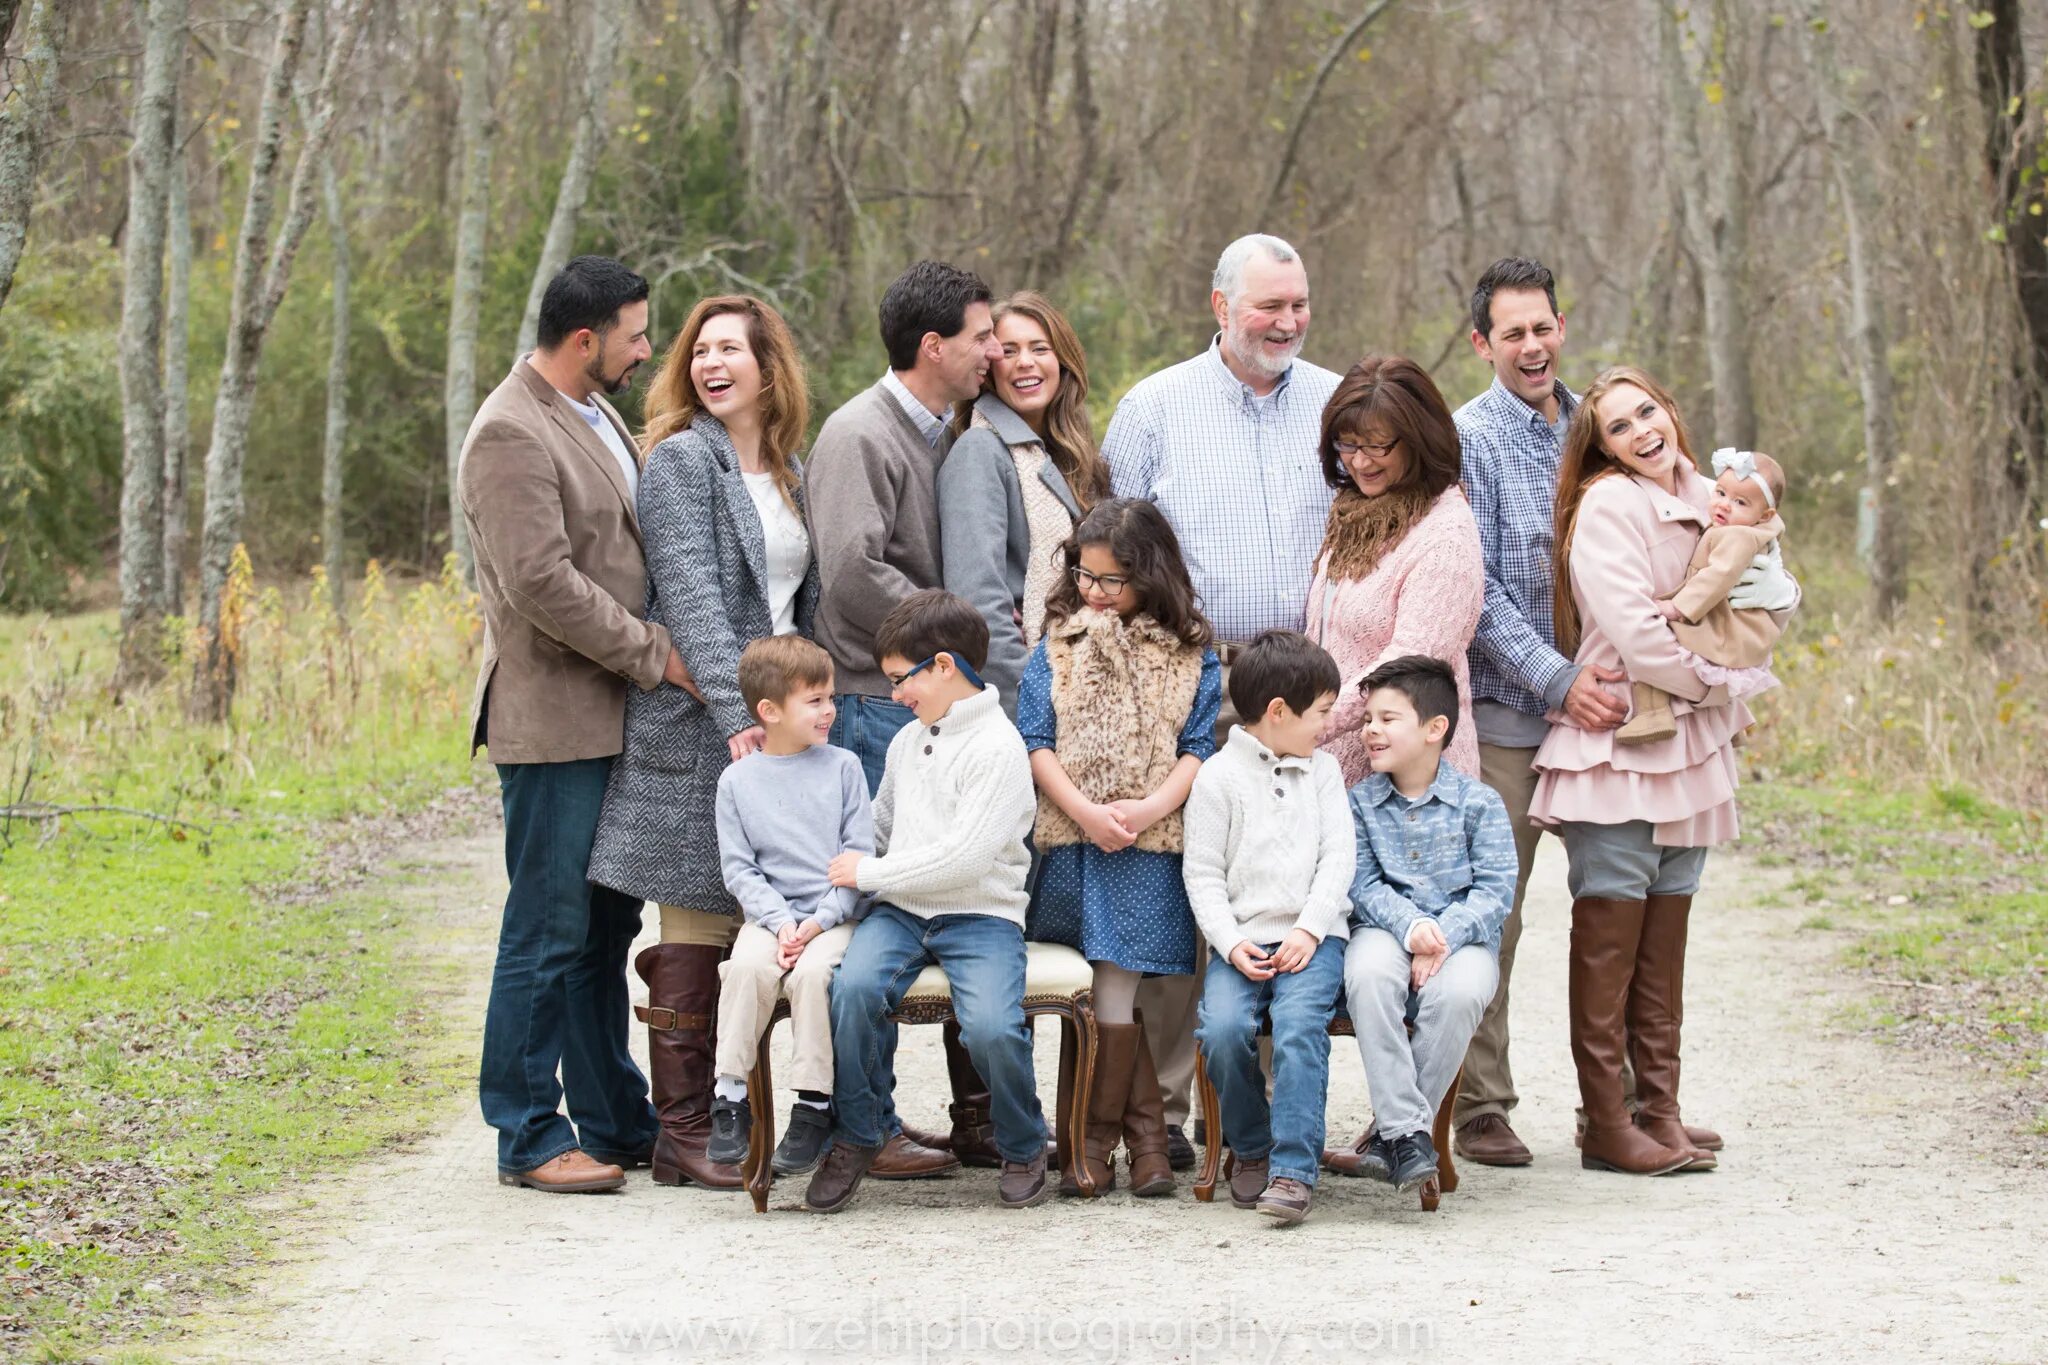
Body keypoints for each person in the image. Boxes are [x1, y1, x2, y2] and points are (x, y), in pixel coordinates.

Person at [1104, 233, 1342, 1166]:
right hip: (1192, 672)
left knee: (1282, 877)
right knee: (1180, 882)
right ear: (1219, 306)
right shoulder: (1155, 406)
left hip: (1303, 679)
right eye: (1268, 306)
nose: (1287, 322)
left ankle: (1272, 1115)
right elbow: (1115, 544)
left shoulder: (1333, 402)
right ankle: (1163, 1110)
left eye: (1298, 305)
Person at [1530, 365, 1795, 1175]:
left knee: (1664, 935)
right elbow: (1640, 635)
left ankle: (1659, 1105)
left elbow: (1773, 590)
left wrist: (1759, 626)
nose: (1643, 431)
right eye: (1619, 426)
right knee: (1611, 940)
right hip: (1623, 743)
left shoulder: (1720, 491)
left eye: (1647, 412)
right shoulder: (1609, 504)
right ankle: (1607, 1120)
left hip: (1694, 743)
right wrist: (1719, 680)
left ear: (1669, 410)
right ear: (1601, 447)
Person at [581, 293, 818, 1191]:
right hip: (707, 726)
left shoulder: (789, 467)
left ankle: (752, 1111)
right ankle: (681, 1129)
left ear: (770, 365)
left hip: (784, 725)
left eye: (733, 349)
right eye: (700, 351)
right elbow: (692, 603)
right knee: (694, 919)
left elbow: (801, 603)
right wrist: (739, 720)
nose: (713, 364)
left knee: (769, 920)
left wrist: (806, 713)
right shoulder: (681, 462)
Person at [460, 255, 680, 1193]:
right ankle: (525, 1128)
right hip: (553, 719)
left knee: (600, 927)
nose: (645, 350)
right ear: (585, 338)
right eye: (635, 334)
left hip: (611, 719)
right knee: (546, 927)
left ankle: (615, 1117)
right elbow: (541, 582)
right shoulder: (509, 431)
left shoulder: (594, 414)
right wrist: (651, 652)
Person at [805, 261, 1005, 1177]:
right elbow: (849, 573)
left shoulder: (938, 433)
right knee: (888, 900)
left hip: (929, 691)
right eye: (982, 337)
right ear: (935, 347)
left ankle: (972, 1115)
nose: (994, 351)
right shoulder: (859, 434)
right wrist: (952, 649)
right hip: (877, 698)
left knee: (957, 892)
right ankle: (868, 1123)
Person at [802, 591, 1054, 1213]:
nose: (895, 696)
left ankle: (1023, 1144)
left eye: (899, 680)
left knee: (993, 1026)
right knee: (854, 991)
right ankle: (861, 1132)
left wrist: (870, 872)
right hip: (903, 912)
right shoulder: (908, 742)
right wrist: (838, 890)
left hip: (981, 914)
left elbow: (964, 859)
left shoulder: (999, 748)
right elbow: (881, 827)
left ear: (943, 665)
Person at [1020, 498, 1222, 1196]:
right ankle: (1133, 1143)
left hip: (1149, 844)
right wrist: (1084, 812)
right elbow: (1035, 742)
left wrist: (1147, 809)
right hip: (1075, 841)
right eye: (1085, 574)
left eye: (1112, 580)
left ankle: (1099, 1138)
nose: (1095, 592)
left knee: (1120, 985)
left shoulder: (1193, 655)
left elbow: (1198, 747)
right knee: (1101, 991)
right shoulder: (1057, 643)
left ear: (1152, 575)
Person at [1184, 631, 1356, 1225]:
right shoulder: (1217, 777)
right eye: (1322, 714)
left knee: (1298, 1027)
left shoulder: (1326, 772)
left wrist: (1309, 930)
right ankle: (1251, 1145)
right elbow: (1202, 873)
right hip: (1242, 939)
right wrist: (1230, 943)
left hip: (1313, 937)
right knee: (1223, 1030)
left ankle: (1292, 1170)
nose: (1327, 728)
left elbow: (1339, 857)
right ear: (1278, 713)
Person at [1337, 656, 1516, 1195]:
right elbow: (1361, 885)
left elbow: (1496, 889)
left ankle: (1393, 1135)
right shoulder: (1360, 803)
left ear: (1436, 729)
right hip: (1384, 931)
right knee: (1367, 976)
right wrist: (1412, 928)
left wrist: (1442, 935)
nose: (1370, 730)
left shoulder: (1479, 803)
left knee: (1461, 994)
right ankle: (1409, 1135)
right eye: (1368, 718)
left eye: (1388, 719)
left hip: (1463, 940)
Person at [701, 635, 872, 1178]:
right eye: (814, 701)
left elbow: (858, 859)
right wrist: (780, 924)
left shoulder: (844, 767)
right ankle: (729, 1097)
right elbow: (740, 869)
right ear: (769, 712)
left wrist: (817, 922)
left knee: (813, 977)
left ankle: (813, 1105)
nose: (829, 711)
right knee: (746, 968)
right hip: (770, 919)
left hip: (833, 918)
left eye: (830, 698)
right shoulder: (736, 781)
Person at [1305, 355, 1484, 786]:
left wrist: (1315, 723)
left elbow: (1408, 662)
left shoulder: (1445, 535)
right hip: (1330, 768)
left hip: (1408, 787)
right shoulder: (1356, 512)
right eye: (1347, 445)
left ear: (1419, 439)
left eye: (1378, 445)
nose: (1360, 462)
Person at [939, 290, 1108, 710]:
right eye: (1008, 351)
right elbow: (980, 608)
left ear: (1062, 361)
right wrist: (1034, 709)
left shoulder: (1072, 458)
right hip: (1027, 700)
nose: (1024, 362)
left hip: (1082, 687)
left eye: (1039, 348)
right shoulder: (980, 452)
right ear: (988, 367)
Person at [1618, 448, 1788, 744]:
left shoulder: (1739, 536)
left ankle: (1653, 713)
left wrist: (1678, 607)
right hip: (1729, 621)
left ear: (1765, 515)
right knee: (1712, 672)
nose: (1724, 505)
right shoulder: (1741, 527)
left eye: (1740, 502)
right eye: (1721, 493)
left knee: (1661, 639)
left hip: (1725, 625)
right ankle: (1730, 725)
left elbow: (1716, 577)